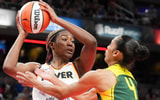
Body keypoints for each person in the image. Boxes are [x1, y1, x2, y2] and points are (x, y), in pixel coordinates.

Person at [3, 0, 97, 100]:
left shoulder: (78, 67)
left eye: (72, 41)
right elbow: (9, 67)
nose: (70, 44)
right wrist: (22, 35)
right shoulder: (37, 69)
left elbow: (91, 43)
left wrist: (57, 20)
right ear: (52, 45)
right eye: (65, 39)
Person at [16, 35, 150, 100]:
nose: (107, 48)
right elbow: (83, 97)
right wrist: (53, 79)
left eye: (110, 44)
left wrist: (35, 83)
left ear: (116, 53)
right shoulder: (128, 77)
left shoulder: (102, 75)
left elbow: (62, 94)